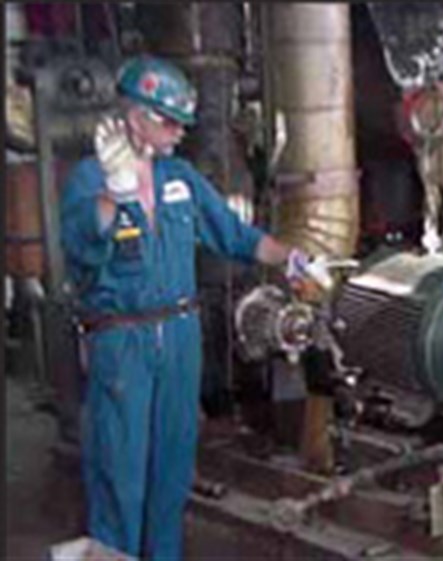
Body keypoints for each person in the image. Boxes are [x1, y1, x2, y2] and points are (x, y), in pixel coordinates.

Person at [59, 56, 318, 560]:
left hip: (180, 335)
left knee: (172, 474)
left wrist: (291, 257)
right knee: (119, 474)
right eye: (169, 121)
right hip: (122, 339)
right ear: (135, 117)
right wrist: (115, 194)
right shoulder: (90, 179)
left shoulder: (180, 178)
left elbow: (235, 235)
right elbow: (82, 250)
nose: (180, 132)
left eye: (183, 122)